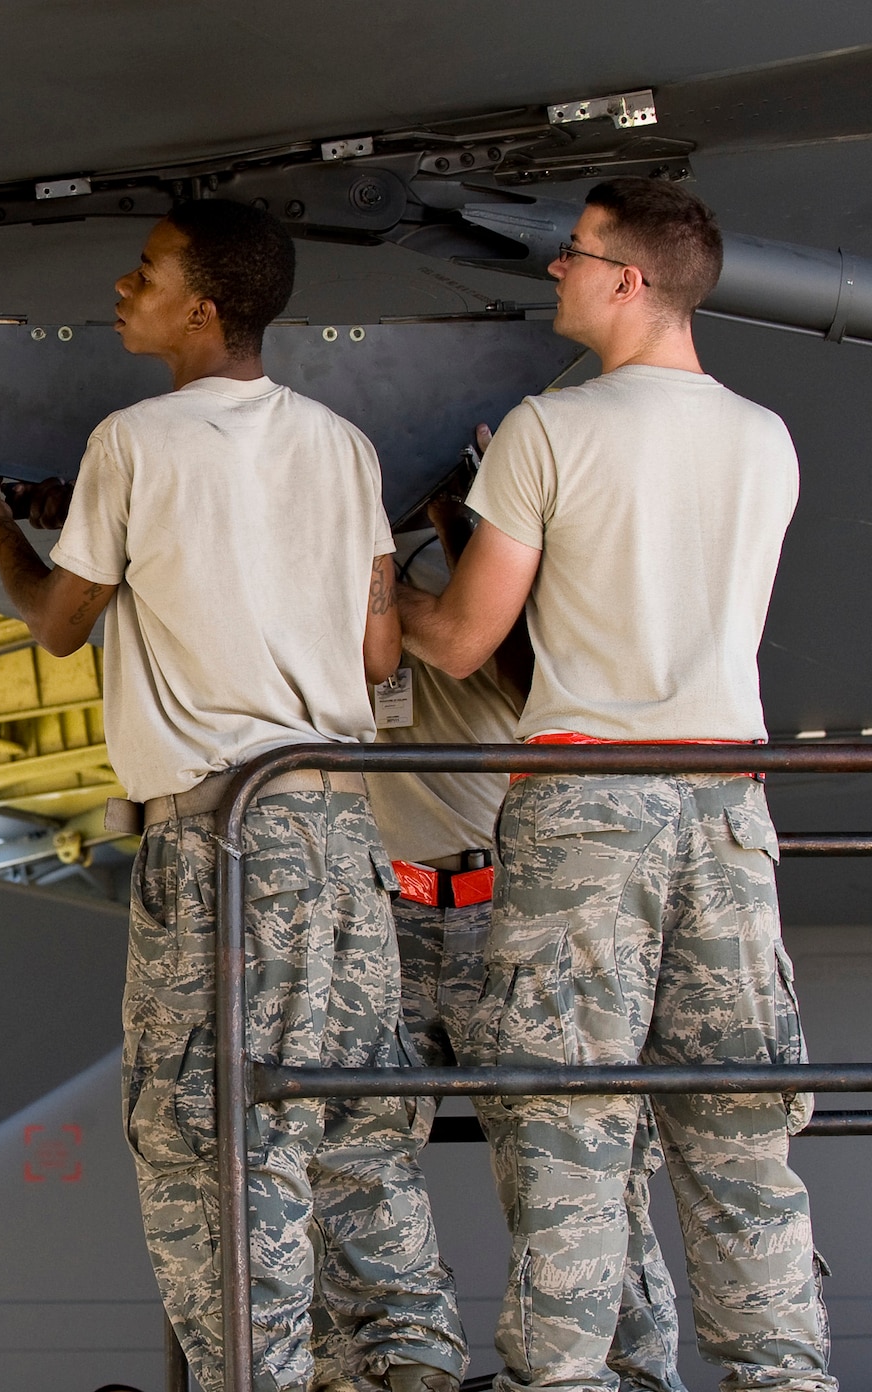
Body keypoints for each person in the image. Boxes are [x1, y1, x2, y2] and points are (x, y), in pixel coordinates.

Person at [0, 198, 448, 1392]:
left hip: (220, 841)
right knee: (355, 1120)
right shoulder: (343, 445)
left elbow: (61, 626)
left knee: (202, 1133)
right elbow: (376, 656)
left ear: (203, 307)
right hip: (337, 828)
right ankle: (411, 1364)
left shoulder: (133, 442)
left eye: (146, 272)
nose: (123, 287)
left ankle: (249, 1377)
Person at [396, 177, 829, 1390]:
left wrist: (378, 583)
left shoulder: (551, 428)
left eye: (573, 254)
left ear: (626, 280)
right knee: (739, 1135)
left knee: (570, 1130)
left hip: (588, 810)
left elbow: (462, 643)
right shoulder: (761, 436)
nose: (555, 272)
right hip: (729, 810)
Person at [310, 442, 685, 1392]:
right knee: (353, 1144)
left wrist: (452, 532)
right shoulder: (332, 594)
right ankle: (405, 1364)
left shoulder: (489, 592)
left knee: (570, 1156)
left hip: (503, 910)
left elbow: (531, 685)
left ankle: (623, 1369)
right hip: (388, 911)